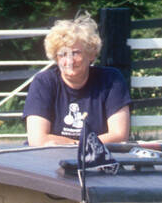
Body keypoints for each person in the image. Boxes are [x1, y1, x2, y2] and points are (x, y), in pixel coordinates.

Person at [23, 13, 130, 145]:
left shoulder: (112, 80)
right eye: (62, 54)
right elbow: (37, 139)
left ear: (91, 54)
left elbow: (119, 135)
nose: (69, 61)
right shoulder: (43, 82)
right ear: (56, 58)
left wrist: (77, 146)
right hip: (50, 158)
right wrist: (80, 145)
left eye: (76, 53)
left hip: (98, 158)